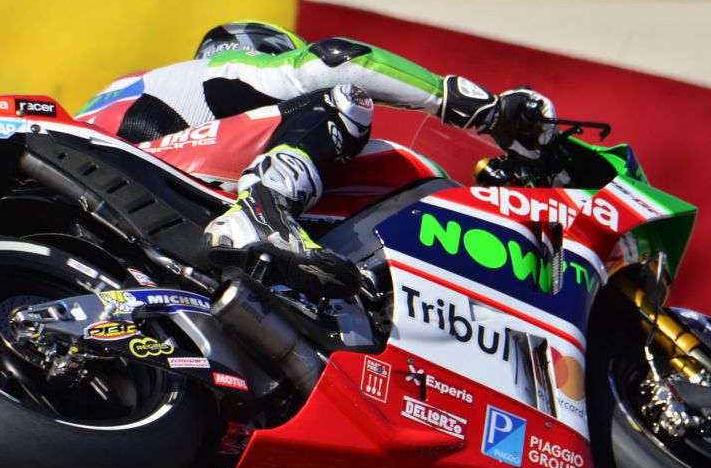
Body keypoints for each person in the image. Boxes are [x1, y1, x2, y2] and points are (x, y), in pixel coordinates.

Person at [77, 21, 559, 300]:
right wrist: (475, 108)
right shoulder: (226, 69)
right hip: (146, 171)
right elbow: (333, 59)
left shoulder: (132, 87)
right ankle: (263, 212)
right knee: (344, 98)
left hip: (101, 204)